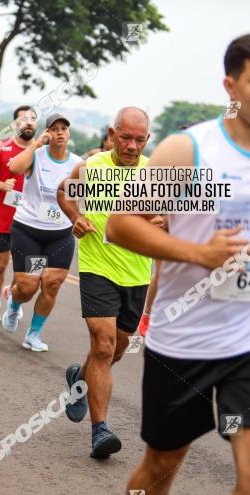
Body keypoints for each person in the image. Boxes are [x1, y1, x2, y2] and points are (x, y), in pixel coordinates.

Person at [104, 32, 250, 495]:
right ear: (231, 86)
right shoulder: (191, 150)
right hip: (183, 341)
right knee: (161, 464)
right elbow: (122, 224)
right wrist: (198, 253)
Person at [56, 107, 155, 458]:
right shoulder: (92, 167)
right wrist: (76, 216)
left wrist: (162, 223)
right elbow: (64, 193)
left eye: (139, 139)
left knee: (116, 349)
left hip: (137, 273)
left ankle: (79, 379)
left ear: (147, 140)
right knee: (102, 345)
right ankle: (100, 431)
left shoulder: (154, 173)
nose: (131, 145)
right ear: (112, 135)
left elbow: (170, 218)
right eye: (125, 137)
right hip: (98, 267)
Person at [1, 113, 82, 351]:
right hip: (30, 231)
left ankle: (33, 333)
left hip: (59, 234)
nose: (59, 133)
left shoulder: (76, 164)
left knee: (52, 284)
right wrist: (36, 143)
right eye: (54, 129)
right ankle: (14, 301)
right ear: (47, 133)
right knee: (28, 286)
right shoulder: (36, 155)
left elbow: (83, 195)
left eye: (63, 129)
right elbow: (14, 168)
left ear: (68, 134)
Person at [0, 106, 37, 321]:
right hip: (2, 218)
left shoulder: (40, 152)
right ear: (15, 125)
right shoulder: (1, 148)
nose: (29, 122)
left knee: (30, 270)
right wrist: (2, 185)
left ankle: (12, 294)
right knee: (1, 264)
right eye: (23, 119)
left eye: (33, 118)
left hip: (32, 221)